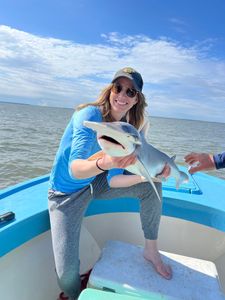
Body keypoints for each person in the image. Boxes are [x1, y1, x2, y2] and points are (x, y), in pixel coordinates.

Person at [48, 67, 172, 300]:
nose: (122, 95)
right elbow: (75, 170)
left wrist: (148, 177)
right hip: (64, 195)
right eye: (118, 87)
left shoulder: (126, 128)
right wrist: (106, 162)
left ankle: (151, 251)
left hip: (96, 184)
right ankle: (76, 295)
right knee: (66, 276)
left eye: (131, 91)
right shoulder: (89, 115)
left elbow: (113, 180)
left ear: (137, 99)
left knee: (151, 188)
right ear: (110, 89)